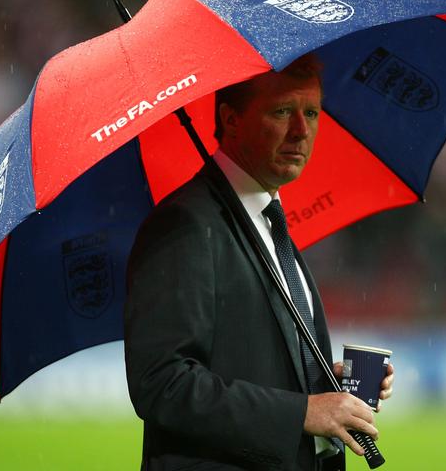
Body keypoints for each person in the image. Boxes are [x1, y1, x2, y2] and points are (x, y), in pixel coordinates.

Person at [124, 55, 394, 470]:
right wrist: (302, 413)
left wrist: (326, 382)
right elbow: (163, 384)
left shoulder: (266, 221)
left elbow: (251, 358)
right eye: (282, 111)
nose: (301, 131)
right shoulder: (184, 224)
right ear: (231, 121)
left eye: (311, 113)